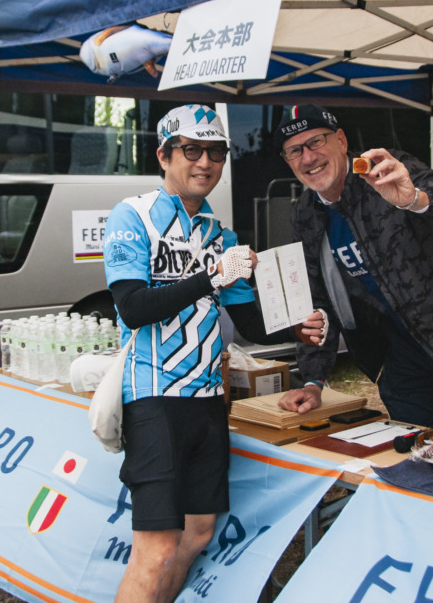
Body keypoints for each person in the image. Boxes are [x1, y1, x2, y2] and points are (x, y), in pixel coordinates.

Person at [102, 104, 280, 603]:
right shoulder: (132, 215)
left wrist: (302, 324)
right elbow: (133, 308)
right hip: (154, 396)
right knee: (156, 549)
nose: (205, 162)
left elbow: (250, 325)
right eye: (192, 150)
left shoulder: (220, 235)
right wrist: (210, 276)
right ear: (164, 156)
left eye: (216, 152)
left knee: (198, 533)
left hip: (207, 401)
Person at [273, 105, 433, 428]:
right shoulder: (305, 213)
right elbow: (315, 302)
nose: (308, 158)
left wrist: (415, 199)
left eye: (316, 142)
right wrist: (313, 381)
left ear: (341, 140)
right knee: (413, 444)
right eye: (295, 151)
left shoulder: (386, 170)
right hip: (402, 351)